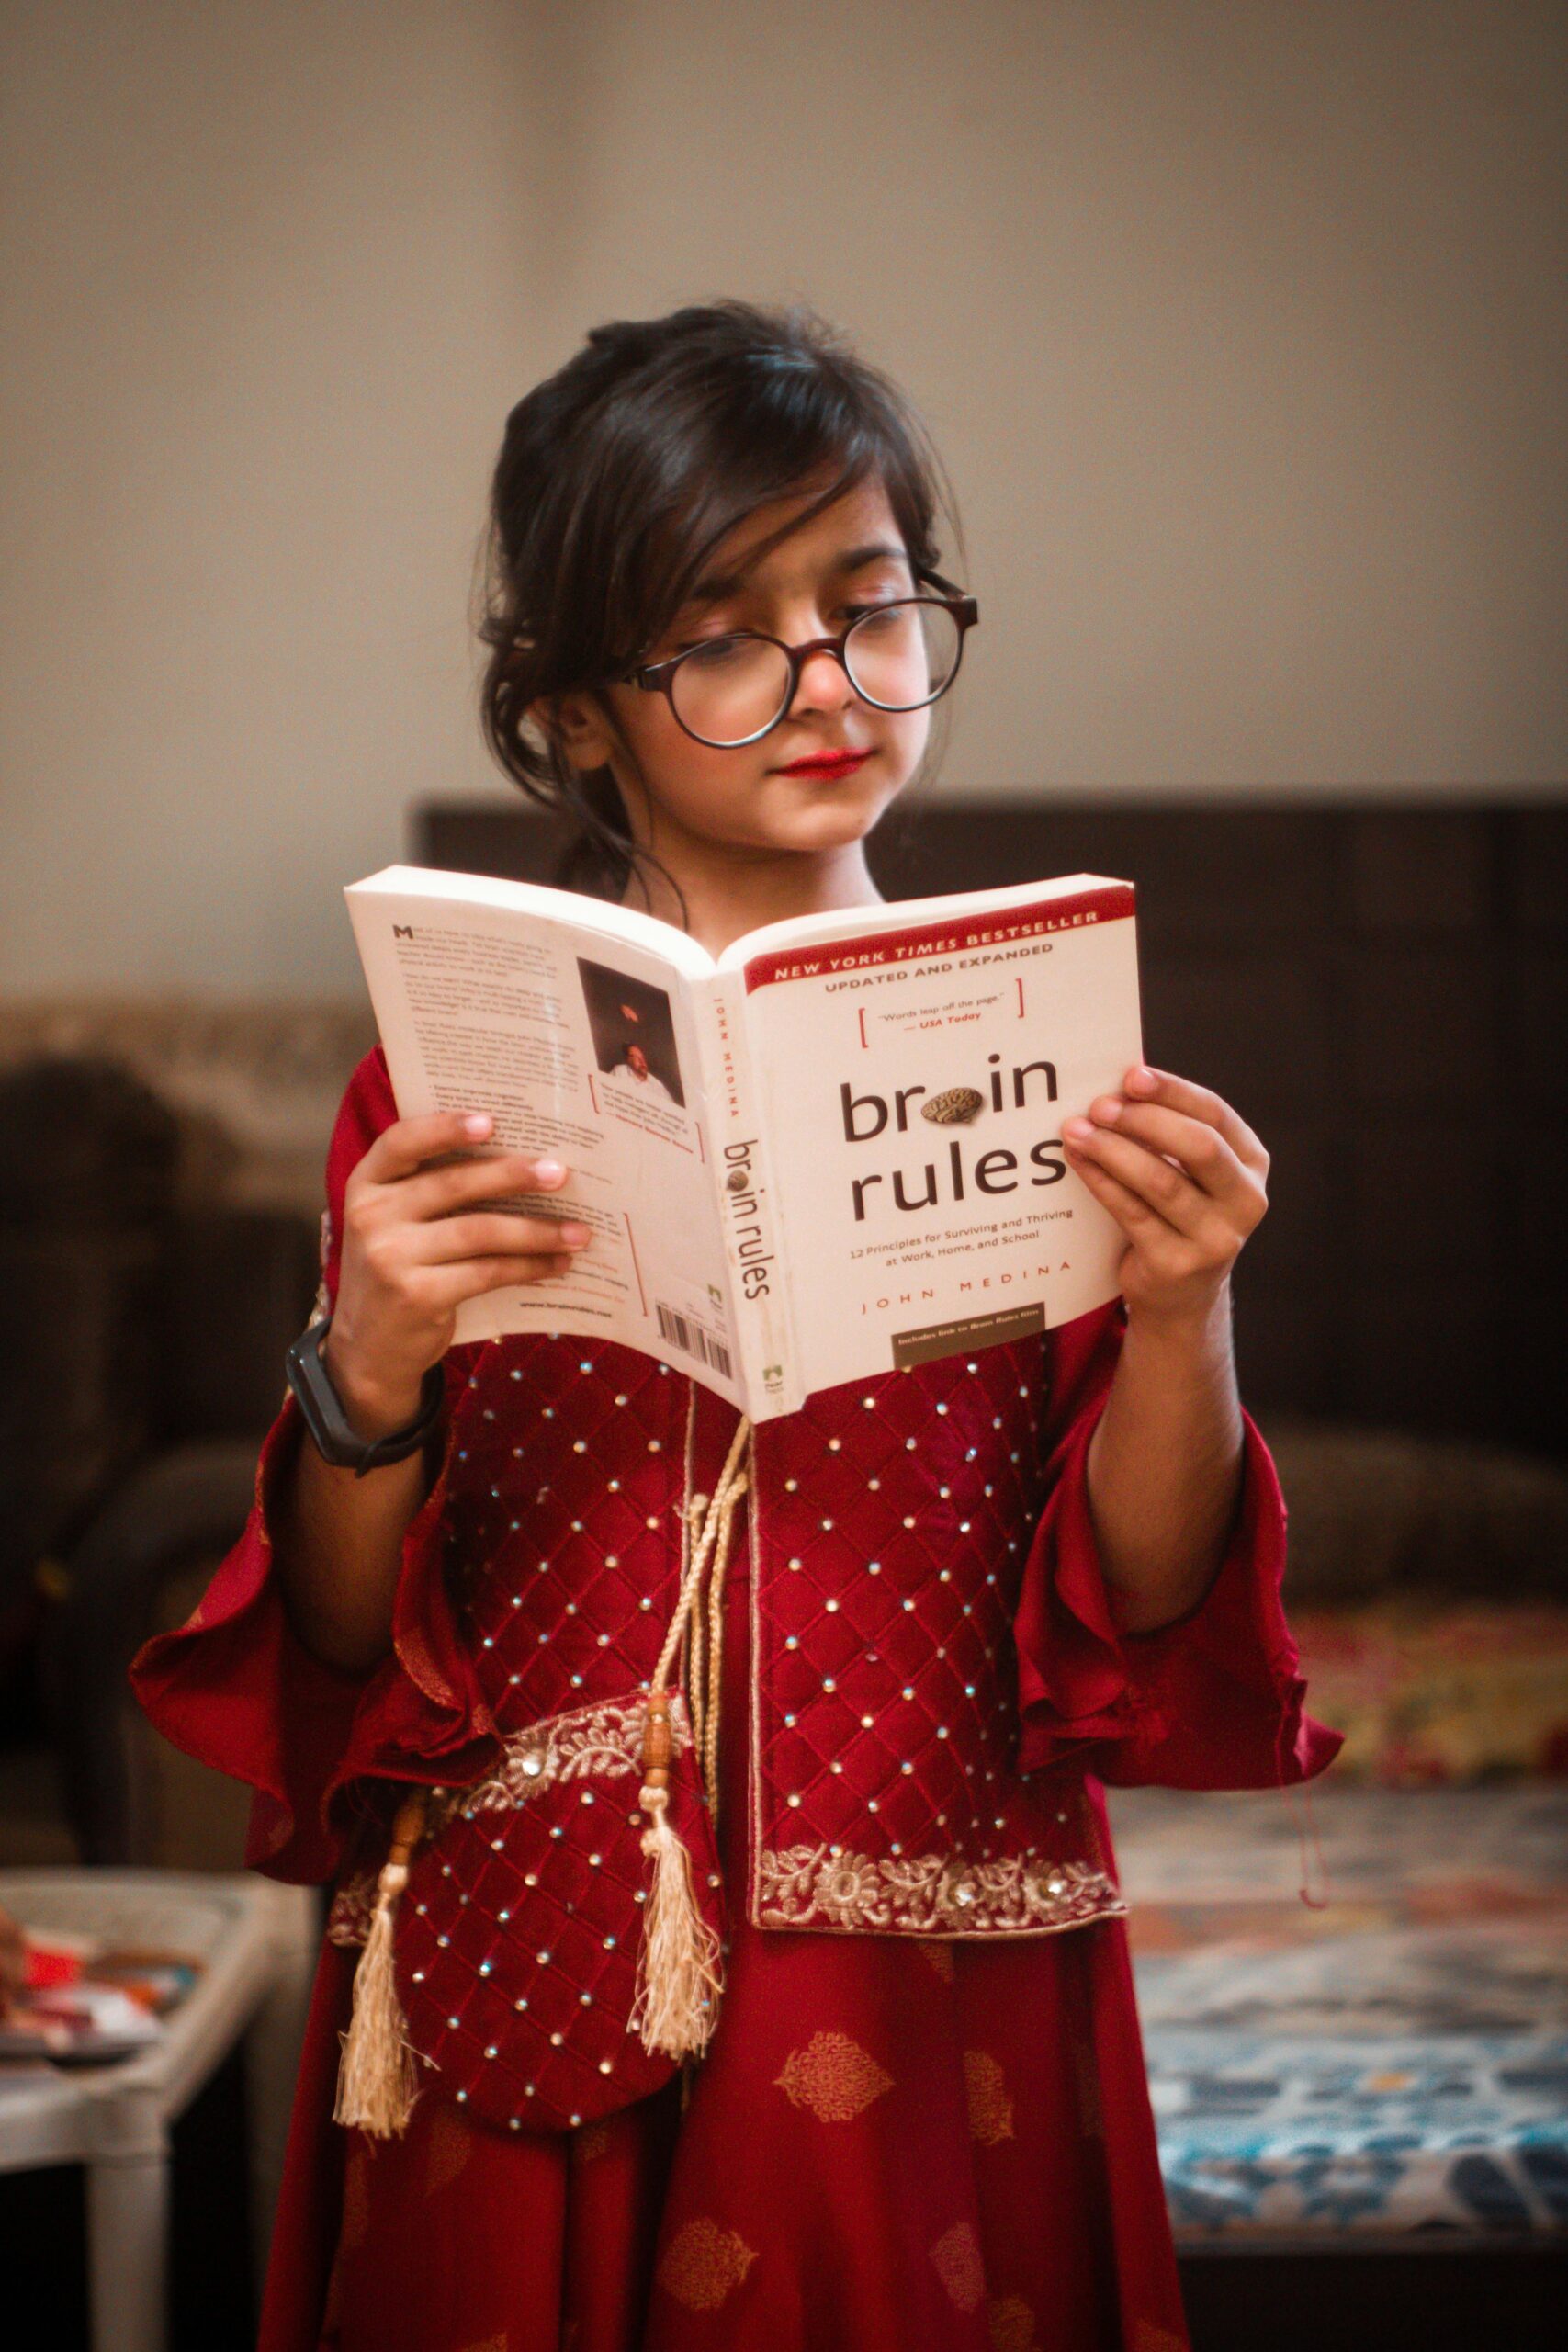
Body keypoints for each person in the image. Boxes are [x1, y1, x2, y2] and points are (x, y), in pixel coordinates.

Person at [131, 299, 1338, 2352]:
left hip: (917, 1981)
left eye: (866, 609)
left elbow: (1137, 1600)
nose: (819, 684)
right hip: (533, 1954)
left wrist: (1182, 1306)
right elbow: (338, 1649)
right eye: (714, 632)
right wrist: (371, 1377)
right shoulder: (436, 1089)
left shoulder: (1046, 1054)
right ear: (576, 706)